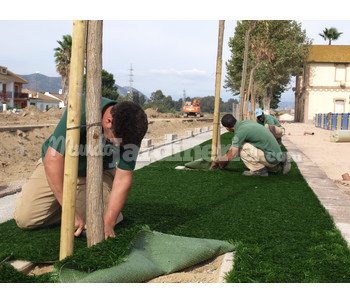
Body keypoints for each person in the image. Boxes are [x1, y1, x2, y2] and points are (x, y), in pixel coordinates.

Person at [13, 96, 148, 239]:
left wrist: (109, 221)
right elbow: (53, 159)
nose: (118, 146)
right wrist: (70, 212)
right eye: (116, 140)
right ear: (108, 121)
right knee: (26, 219)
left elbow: (123, 178)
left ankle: (79, 208)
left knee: (96, 220)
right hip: (58, 167)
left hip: (98, 173)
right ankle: (63, 204)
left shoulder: (132, 130)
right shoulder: (80, 108)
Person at [210, 114, 291, 176]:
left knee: (242, 148)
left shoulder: (240, 133)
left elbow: (230, 155)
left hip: (272, 158)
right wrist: (225, 162)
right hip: (275, 152)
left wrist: (216, 161)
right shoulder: (246, 122)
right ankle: (281, 158)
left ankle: (259, 170)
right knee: (240, 147)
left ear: (227, 128)